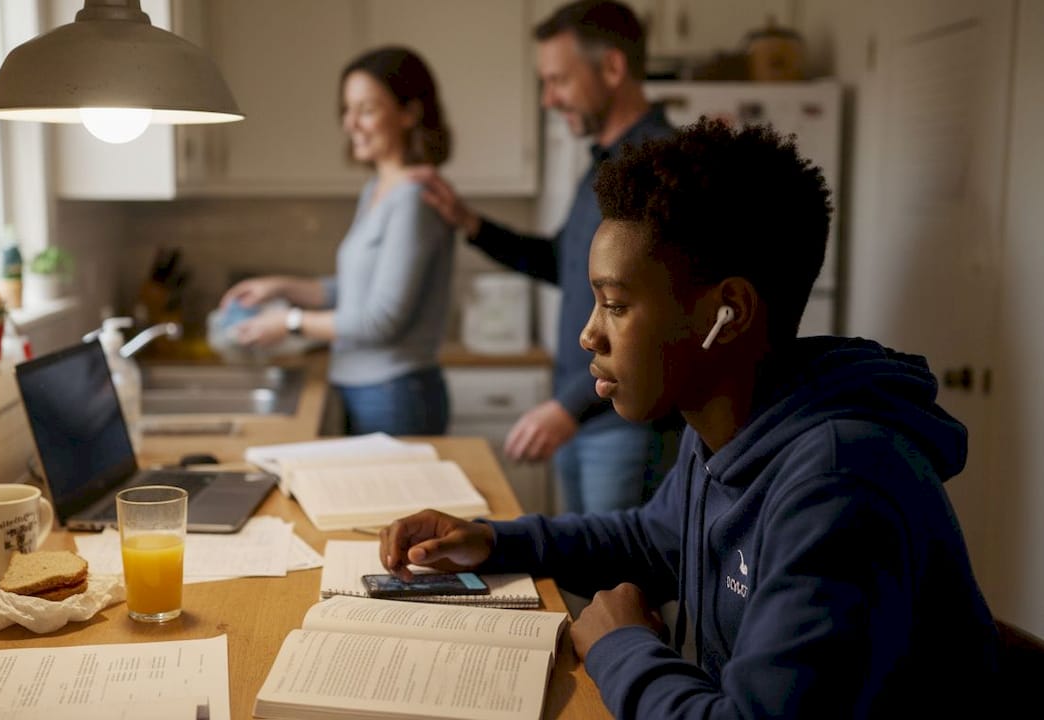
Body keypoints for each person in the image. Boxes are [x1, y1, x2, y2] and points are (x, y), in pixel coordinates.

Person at [379, 120, 999, 717]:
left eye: (616, 305)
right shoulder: (729, 427)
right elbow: (651, 539)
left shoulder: (840, 484)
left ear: (727, 311)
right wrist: (493, 540)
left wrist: (621, 644)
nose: (588, 334)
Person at [415, 0, 674, 513]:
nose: (548, 99)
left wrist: (568, 406)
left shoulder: (657, 166)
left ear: (613, 68)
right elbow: (563, 262)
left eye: (558, 80)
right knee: (586, 580)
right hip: (588, 411)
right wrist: (472, 224)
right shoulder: (603, 163)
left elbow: (656, 314)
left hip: (624, 422)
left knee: (619, 582)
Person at [220, 46, 455, 436]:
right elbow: (357, 292)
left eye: (366, 109)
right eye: (347, 110)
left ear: (409, 114)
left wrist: (290, 323)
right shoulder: (379, 189)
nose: (350, 124)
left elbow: (380, 320)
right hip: (370, 390)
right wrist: (280, 286)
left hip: (395, 394)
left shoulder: (415, 199)